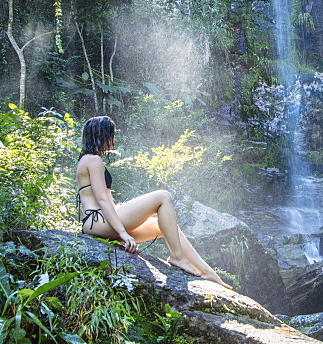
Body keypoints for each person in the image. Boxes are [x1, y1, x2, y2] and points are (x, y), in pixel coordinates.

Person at [76, 115, 231, 288]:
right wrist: (123, 233)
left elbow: (105, 201)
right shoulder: (93, 160)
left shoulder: (88, 160)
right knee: (163, 196)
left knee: (165, 226)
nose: (112, 141)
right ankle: (177, 257)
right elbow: (103, 201)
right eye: (110, 135)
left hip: (98, 223)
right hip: (98, 223)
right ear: (102, 136)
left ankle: (208, 273)